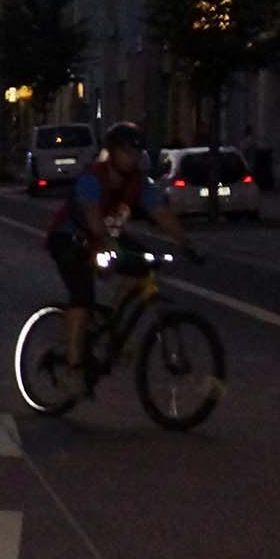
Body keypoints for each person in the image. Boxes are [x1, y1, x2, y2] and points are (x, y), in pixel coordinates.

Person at [46, 119, 195, 386]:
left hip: (106, 238)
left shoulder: (138, 183)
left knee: (143, 264)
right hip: (70, 237)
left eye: (137, 152)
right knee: (82, 295)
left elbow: (161, 213)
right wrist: (105, 243)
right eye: (126, 152)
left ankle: (113, 327)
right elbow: (92, 216)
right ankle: (73, 366)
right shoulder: (93, 178)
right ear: (112, 152)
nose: (132, 158)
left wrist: (186, 243)